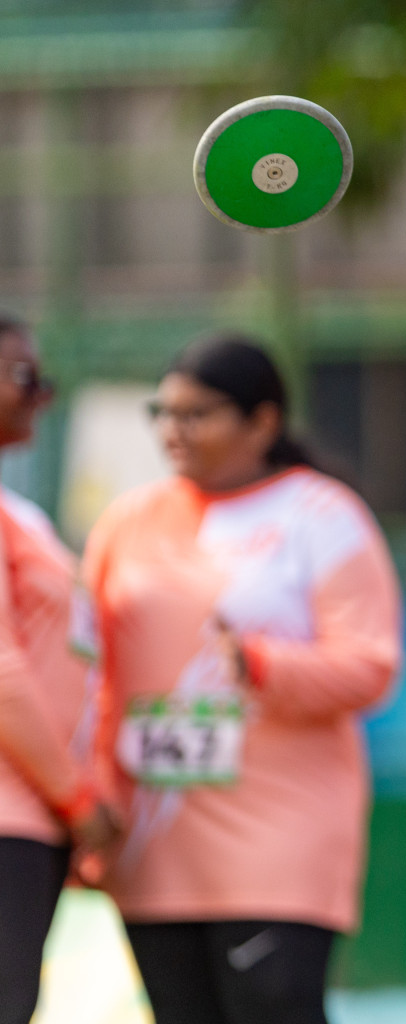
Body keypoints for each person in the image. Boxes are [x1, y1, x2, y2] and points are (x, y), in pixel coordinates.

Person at [85, 336, 403, 1024]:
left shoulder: (321, 515)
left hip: (278, 840)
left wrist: (263, 665)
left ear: (263, 421)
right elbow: (90, 674)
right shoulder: (127, 520)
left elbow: (371, 665)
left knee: (274, 1007)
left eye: (198, 413)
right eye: (162, 413)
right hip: (156, 836)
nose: (174, 431)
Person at [0, 315, 118, 1024]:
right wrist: (76, 798)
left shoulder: (21, 517)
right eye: (23, 377)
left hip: (30, 814)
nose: (41, 395)